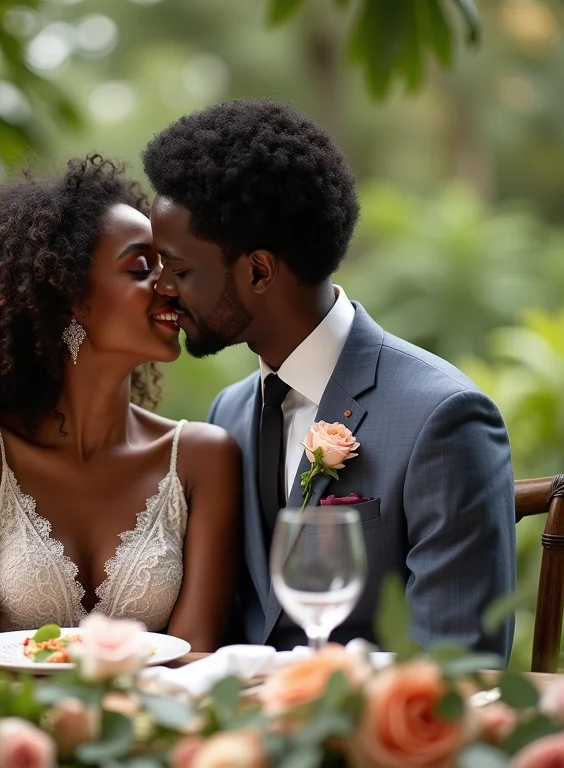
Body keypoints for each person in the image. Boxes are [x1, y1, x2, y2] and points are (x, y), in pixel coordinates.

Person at [142, 98, 516, 660]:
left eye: (180, 268)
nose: (161, 287)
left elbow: (460, 660)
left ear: (259, 271)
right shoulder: (230, 413)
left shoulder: (444, 417)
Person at [0, 155, 240, 651]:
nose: (170, 286)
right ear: (66, 295)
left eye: (173, 267)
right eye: (142, 268)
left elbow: (196, 658)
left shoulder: (203, 457)